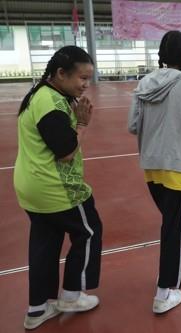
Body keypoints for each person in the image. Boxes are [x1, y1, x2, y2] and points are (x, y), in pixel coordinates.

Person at [13, 46, 102, 330]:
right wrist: (83, 124)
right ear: (60, 73)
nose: (86, 84)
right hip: (55, 187)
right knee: (88, 231)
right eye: (82, 78)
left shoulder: (40, 95)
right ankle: (72, 295)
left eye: (89, 79)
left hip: (30, 187)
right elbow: (65, 151)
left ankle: (38, 308)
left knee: (45, 243)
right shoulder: (50, 102)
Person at [128, 31, 181, 314]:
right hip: (179, 167)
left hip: (151, 167)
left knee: (170, 226)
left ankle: (166, 285)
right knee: (176, 231)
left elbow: (133, 125)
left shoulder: (145, 82)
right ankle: (165, 292)